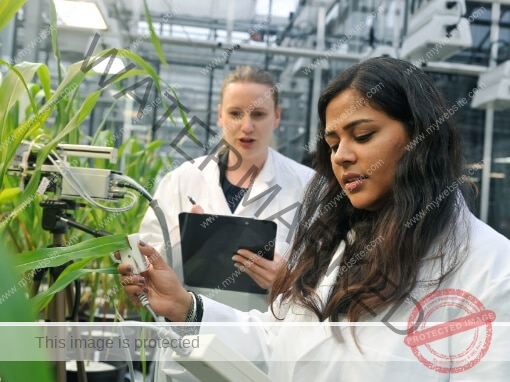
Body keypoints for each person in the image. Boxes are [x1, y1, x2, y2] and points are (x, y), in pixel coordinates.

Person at [120, 57, 510, 381]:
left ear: (421, 136)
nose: (341, 156)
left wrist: (282, 278)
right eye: (333, 142)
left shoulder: (492, 269)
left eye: (363, 135)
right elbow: (279, 342)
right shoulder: (341, 247)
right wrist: (187, 306)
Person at [139, 65, 314, 310]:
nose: (247, 126)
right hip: (188, 332)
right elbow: (145, 261)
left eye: (259, 115)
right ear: (220, 115)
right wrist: (183, 238)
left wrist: (291, 280)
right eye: (235, 113)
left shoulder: (308, 186)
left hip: (264, 338)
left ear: (276, 117)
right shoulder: (180, 181)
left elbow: (329, 275)